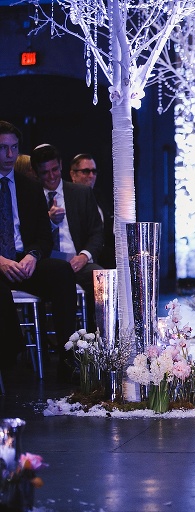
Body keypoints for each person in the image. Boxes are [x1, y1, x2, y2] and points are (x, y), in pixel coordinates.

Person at [0, 121, 78, 373]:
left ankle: (68, 358)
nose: (10, 155)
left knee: (61, 271)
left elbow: (44, 237)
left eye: (14, 147)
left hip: (24, 260)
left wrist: (33, 255)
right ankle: (10, 360)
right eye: (3, 148)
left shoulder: (30, 187)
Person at [31, 144, 104, 332]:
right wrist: (49, 220)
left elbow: (97, 232)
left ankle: (100, 337)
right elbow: (28, 237)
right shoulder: (30, 196)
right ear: (36, 173)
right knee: (57, 278)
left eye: (55, 169)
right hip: (46, 264)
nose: (52, 176)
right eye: (45, 172)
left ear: (61, 165)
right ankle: (61, 341)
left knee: (102, 278)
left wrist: (84, 256)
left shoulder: (81, 193)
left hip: (77, 260)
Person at [70, 153, 115, 269]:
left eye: (94, 172)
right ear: (73, 174)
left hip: (102, 253)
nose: (91, 176)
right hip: (78, 256)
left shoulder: (100, 197)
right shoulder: (67, 199)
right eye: (86, 171)